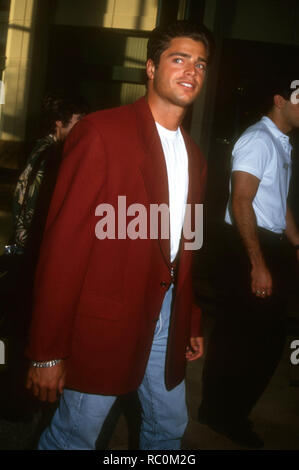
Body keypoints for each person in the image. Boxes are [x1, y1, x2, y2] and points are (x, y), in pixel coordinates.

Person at [25, 20, 214, 450]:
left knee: (169, 428)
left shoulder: (196, 155)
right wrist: (48, 350)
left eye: (200, 64)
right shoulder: (101, 133)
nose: (192, 72)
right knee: (75, 435)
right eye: (179, 59)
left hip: (167, 316)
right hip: (105, 321)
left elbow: (188, 244)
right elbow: (62, 251)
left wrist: (191, 318)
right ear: (150, 68)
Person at [198, 77, 299, 448]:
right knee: (243, 342)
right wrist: (257, 264)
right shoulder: (258, 140)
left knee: (262, 341)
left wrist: (295, 240)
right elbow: (241, 202)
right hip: (248, 247)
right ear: (279, 100)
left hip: (268, 244)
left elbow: (276, 199)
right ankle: (222, 415)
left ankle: (226, 411)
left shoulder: (279, 142)